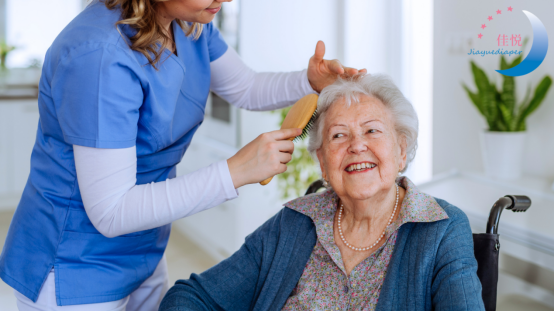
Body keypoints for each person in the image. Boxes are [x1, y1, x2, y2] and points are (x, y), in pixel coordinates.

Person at [0, 0, 365, 310]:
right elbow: (111, 212)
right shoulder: (98, 56)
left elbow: (247, 87)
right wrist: (235, 171)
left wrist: (308, 81)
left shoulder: (187, 22)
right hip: (72, 266)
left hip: (142, 246)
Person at [159, 75, 486, 311]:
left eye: (372, 130)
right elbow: (192, 297)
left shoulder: (442, 228)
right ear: (322, 163)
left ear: (402, 150)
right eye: (339, 136)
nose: (357, 145)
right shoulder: (294, 222)